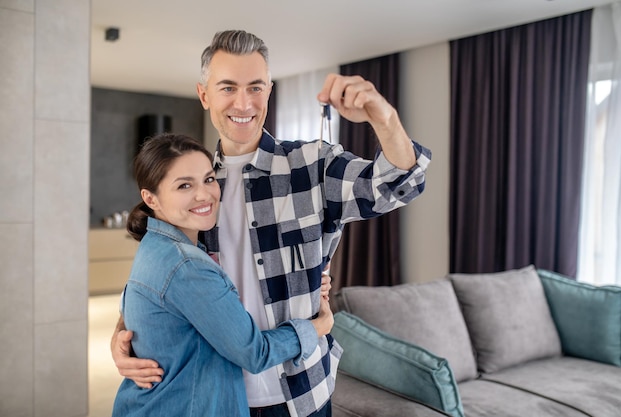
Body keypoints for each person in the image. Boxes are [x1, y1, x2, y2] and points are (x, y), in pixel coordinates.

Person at [112, 29, 432, 417]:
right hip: (220, 397)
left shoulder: (312, 166)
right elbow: (164, 275)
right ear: (204, 95)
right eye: (228, 87)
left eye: (255, 87)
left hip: (301, 393)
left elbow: (398, 184)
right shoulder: (193, 186)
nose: (243, 102)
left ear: (269, 91)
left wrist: (383, 116)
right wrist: (125, 333)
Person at [111, 133, 334, 417]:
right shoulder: (187, 265)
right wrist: (317, 328)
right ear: (150, 198)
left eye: (208, 179)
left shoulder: (155, 245)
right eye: (184, 185)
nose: (204, 194)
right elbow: (255, 353)